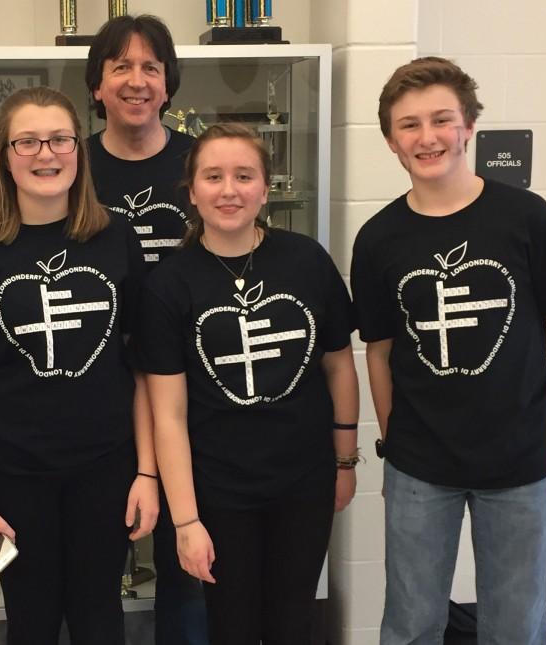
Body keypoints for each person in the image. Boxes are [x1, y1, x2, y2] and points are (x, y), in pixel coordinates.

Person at [350, 57, 546, 644]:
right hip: (420, 466)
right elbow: (378, 351)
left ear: (469, 127)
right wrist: (394, 437)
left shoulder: (526, 218)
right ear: (391, 141)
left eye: (441, 120)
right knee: (412, 622)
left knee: (515, 624)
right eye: (409, 125)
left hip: (520, 458)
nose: (426, 137)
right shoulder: (378, 238)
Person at [0, 86, 158, 645]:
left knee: (100, 620)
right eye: (28, 141)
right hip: (14, 483)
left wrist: (147, 473)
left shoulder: (117, 240)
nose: (46, 154)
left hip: (106, 471)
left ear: (78, 151)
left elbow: (142, 370)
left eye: (61, 138)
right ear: (4, 156)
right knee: (30, 623)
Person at [137, 123, 359, 645]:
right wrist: (186, 520)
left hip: (304, 481)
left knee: (293, 623)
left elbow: (339, 365)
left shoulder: (306, 260)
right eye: (213, 177)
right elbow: (166, 412)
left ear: (265, 187)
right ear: (192, 192)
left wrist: (345, 461)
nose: (229, 190)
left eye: (244, 175)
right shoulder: (169, 284)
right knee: (230, 626)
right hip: (218, 492)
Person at [85, 15, 208, 645]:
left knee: (187, 563)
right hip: (99, 391)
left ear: (168, 84)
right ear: (97, 85)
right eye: (121, 67)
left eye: (151, 68)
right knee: (93, 566)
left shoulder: (201, 163)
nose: (137, 81)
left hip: (195, 391)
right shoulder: (69, 165)